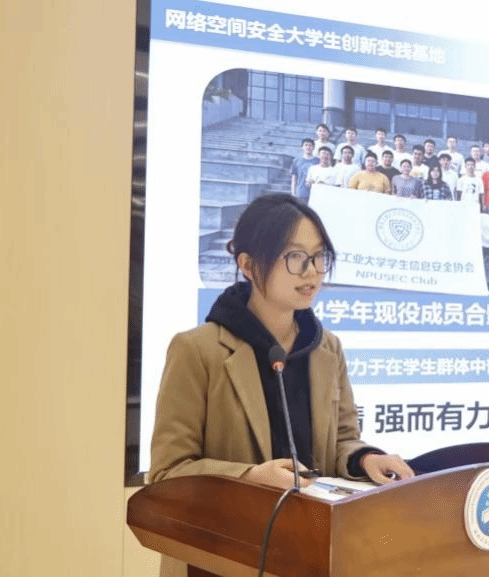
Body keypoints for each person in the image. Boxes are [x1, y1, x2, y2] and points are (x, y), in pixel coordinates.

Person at [150, 194, 414, 489]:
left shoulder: (327, 348)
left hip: (316, 515)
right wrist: (250, 478)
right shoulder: (197, 350)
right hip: (238, 518)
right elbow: (168, 471)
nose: (311, 271)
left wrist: (365, 459)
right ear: (248, 265)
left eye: (319, 256)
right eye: (295, 257)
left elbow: (343, 440)